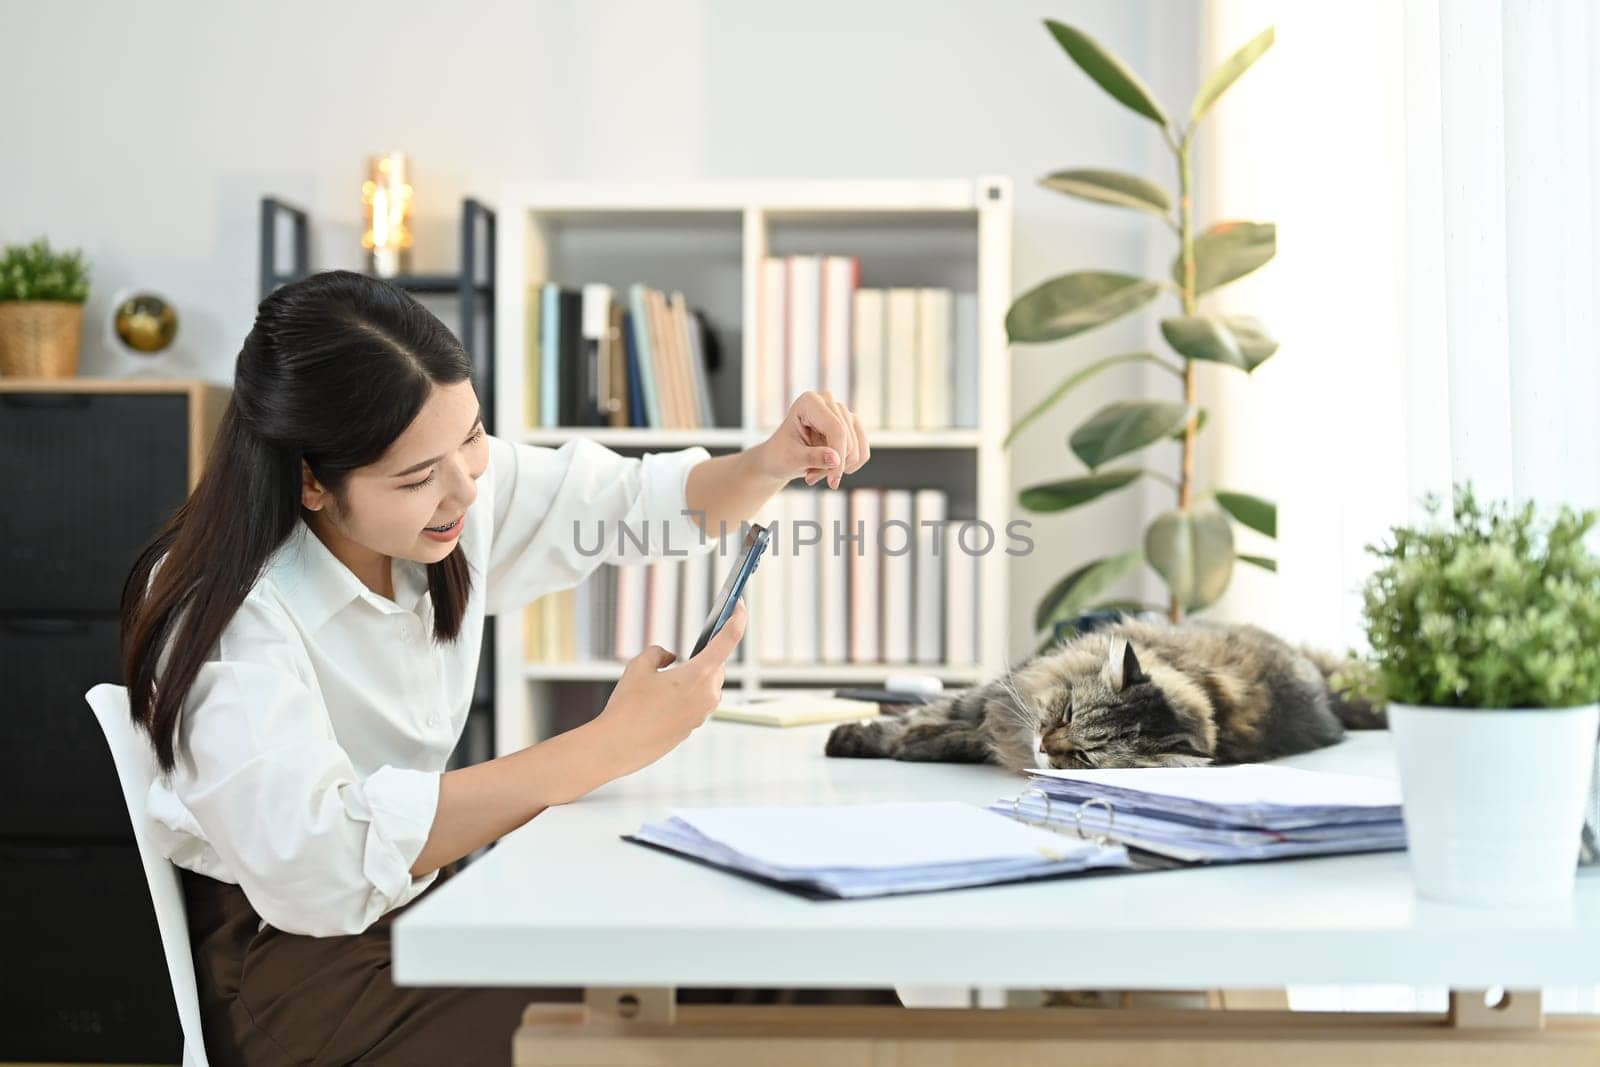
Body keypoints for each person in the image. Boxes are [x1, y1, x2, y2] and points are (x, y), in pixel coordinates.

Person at [118, 270, 870, 1064]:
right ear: (310, 478)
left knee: (795, 953)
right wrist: (606, 746)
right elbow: (322, 863)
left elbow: (624, 503)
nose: (466, 489)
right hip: (304, 978)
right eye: (418, 477)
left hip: (428, 914)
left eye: (472, 437)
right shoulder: (229, 608)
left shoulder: (445, 494)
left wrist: (771, 462)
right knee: (676, 1013)